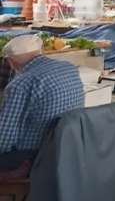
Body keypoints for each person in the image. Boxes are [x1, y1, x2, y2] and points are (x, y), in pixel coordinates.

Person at [0, 35, 84, 172]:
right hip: (68, 148)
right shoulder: (69, 68)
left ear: (10, 62)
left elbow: (4, 141)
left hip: (33, 156)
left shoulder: (21, 84)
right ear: (40, 52)